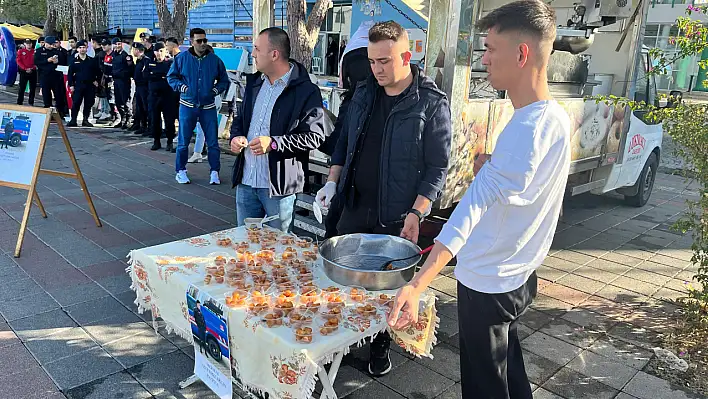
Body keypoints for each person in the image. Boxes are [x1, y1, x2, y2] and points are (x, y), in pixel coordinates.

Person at [387, 2, 571, 398]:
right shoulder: (551, 117)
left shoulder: (526, 129)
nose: (484, 59)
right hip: (519, 277)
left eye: (490, 49)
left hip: (489, 282)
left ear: (522, 54)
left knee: (484, 386)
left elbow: (466, 216)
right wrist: (491, 166)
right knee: (509, 373)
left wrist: (417, 285)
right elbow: (525, 182)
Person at [315, 21, 452, 376]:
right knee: (345, 280)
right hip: (354, 203)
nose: (376, 69)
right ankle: (342, 341)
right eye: (372, 61)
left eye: (384, 62)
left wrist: (418, 213)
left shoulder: (430, 102)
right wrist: (332, 183)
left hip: (396, 214)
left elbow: (438, 167)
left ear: (406, 56)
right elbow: (344, 142)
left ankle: (380, 346)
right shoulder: (363, 92)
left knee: (387, 287)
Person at [229, 27, 325, 231]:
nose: (253, 54)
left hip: (279, 188)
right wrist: (235, 136)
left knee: (279, 250)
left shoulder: (306, 91)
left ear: (274, 54)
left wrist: (273, 143)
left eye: (256, 48)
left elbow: (314, 137)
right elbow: (241, 118)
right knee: (245, 246)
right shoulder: (254, 82)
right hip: (246, 181)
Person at [321, 20, 375, 238]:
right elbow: (342, 143)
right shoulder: (368, 98)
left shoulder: (354, 100)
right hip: (353, 188)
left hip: (355, 191)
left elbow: (339, 143)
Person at [168, 28, 229, 185]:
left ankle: (215, 171)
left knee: (213, 141)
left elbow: (224, 80)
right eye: (199, 41)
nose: (202, 44)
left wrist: (215, 90)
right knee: (183, 141)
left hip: (207, 106)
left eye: (204, 41)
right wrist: (183, 88)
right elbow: (171, 77)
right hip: (187, 105)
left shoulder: (215, 60)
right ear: (191, 41)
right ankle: (180, 170)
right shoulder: (182, 58)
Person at [146, 42, 177, 152]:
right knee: (154, 120)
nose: (159, 53)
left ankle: (169, 141)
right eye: (157, 51)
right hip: (154, 96)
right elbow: (146, 76)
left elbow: (171, 77)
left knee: (169, 120)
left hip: (167, 96)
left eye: (161, 51)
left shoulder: (170, 63)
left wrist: (157, 75)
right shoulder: (150, 62)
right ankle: (156, 141)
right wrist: (161, 76)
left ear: (165, 51)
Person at [67, 40, 101, 127]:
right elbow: (70, 74)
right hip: (78, 85)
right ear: (77, 49)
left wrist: (96, 80)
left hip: (89, 85)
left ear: (86, 48)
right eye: (80, 48)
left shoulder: (91, 60)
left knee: (88, 103)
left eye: (84, 47)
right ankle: (73, 120)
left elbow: (97, 72)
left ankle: (85, 120)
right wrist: (71, 85)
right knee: (76, 102)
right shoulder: (74, 61)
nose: (82, 49)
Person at [34, 36, 67, 118]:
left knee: (58, 95)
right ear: (45, 43)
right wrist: (47, 61)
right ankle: (48, 112)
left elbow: (63, 62)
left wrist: (57, 61)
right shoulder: (39, 51)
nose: (51, 46)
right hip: (45, 76)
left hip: (56, 76)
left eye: (52, 44)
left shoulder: (57, 51)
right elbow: (37, 62)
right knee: (46, 95)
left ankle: (60, 112)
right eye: (49, 44)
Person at [111, 38, 134, 129]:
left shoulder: (126, 56)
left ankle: (128, 119)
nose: (117, 46)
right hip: (116, 81)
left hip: (124, 81)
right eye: (116, 44)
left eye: (119, 44)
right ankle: (122, 119)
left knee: (125, 101)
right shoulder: (113, 55)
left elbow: (130, 69)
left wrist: (121, 74)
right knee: (118, 101)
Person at [129, 43, 151, 135]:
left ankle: (149, 127)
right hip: (138, 86)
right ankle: (142, 126)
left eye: (134, 49)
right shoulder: (138, 60)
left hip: (144, 87)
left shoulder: (146, 60)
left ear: (138, 50)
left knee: (146, 107)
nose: (133, 51)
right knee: (139, 107)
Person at [16, 39, 37, 106]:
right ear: (25, 44)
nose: (29, 45)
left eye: (30, 43)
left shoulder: (34, 51)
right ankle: (19, 102)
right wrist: (25, 68)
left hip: (33, 71)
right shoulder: (21, 51)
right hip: (23, 71)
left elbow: (37, 61)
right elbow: (19, 61)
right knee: (22, 87)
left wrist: (32, 68)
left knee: (33, 88)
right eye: (27, 43)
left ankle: (31, 102)